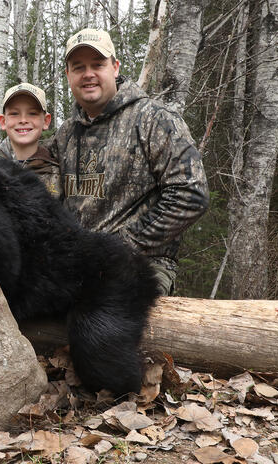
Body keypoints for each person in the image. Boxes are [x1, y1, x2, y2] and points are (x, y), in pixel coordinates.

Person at [50, 28, 209, 295]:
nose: (88, 74)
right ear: (68, 75)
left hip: (141, 265)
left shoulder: (154, 119)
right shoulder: (66, 134)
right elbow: (32, 169)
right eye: (78, 67)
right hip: (77, 266)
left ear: (115, 67)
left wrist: (122, 245)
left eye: (98, 64)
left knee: (105, 322)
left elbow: (191, 194)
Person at [0, 82, 62, 198]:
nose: (23, 120)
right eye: (14, 113)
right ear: (3, 122)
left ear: (46, 121)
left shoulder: (58, 171)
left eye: (32, 113)